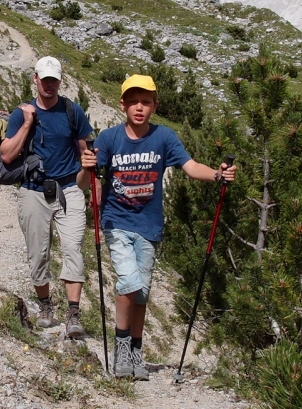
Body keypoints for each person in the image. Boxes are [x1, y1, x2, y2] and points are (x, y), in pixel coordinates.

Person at [77, 74, 236, 379]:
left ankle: (136, 351)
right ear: (122, 104)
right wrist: (86, 167)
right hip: (116, 222)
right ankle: (122, 348)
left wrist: (217, 174)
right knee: (129, 282)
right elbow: (85, 182)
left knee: (142, 293)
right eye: (133, 101)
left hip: (149, 226)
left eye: (146, 102)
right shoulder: (109, 138)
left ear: (154, 106)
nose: (139, 107)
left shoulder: (164, 137)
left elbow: (191, 168)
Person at [0, 56, 93, 338]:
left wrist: (91, 169)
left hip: (69, 189)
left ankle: (73, 313)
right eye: (45, 79)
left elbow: (85, 149)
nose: (49, 85)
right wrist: (27, 123)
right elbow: (6, 154)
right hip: (33, 190)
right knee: (37, 253)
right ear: (35, 79)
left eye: (54, 80)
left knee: (73, 247)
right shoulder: (21, 113)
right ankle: (45, 306)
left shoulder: (71, 111)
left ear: (59, 81)